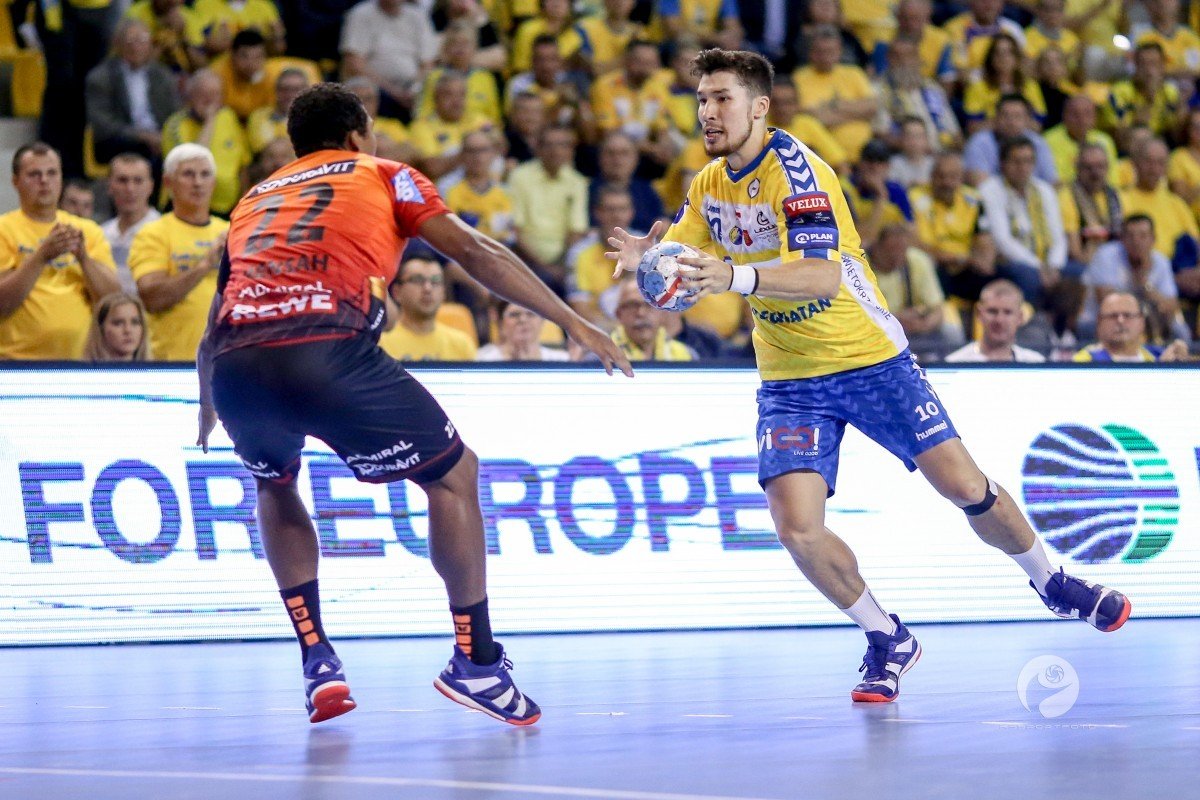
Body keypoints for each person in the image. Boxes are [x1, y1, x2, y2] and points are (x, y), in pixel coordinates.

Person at [607, 49, 1128, 705]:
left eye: (722, 99)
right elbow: (685, 256)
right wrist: (651, 258)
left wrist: (734, 276)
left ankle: (1051, 581)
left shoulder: (799, 173)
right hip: (790, 377)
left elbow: (822, 276)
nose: (708, 112)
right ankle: (886, 637)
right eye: (702, 100)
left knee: (965, 487)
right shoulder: (710, 183)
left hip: (869, 359)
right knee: (797, 528)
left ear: (759, 106)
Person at [197, 83, 629, 726]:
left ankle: (318, 659)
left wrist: (208, 398)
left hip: (236, 368)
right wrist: (573, 321)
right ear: (357, 137)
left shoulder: (253, 199)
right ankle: (477, 662)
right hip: (325, 349)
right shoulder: (384, 173)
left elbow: (216, 317)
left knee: (275, 483)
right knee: (454, 475)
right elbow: (475, 251)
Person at [0, 143, 120, 360]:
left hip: (80, 361)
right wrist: (41, 256)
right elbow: (2, 303)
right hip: (15, 361)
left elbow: (112, 300)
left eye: (52, 173)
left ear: (61, 179)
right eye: (34, 174)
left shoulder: (88, 230)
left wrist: (84, 259)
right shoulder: (4, 229)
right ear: (15, 181)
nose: (44, 180)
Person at [130, 144, 229, 361]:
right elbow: (152, 298)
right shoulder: (153, 233)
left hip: (224, 361)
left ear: (213, 182)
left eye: (205, 174)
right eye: (188, 174)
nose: (198, 182)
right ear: (168, 182)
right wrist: (205, 265)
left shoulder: (231, 231)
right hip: (171, 362)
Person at [85, 17, 180, 165]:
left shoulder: (162, 75)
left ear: (150, 45)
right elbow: (103, 124)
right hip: (121, 141)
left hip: (158, 138)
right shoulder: (100, 77)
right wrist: (143, 136)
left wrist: (163, 137)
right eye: (130, 41)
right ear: (118, 44)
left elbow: (175, 113)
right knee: (144, 152)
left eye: (142, 41)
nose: (136, 47)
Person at [378, 255, 478, 361]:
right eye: (417, 280)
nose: (428, 288)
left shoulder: (462, 345)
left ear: (444, 292)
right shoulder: (380, 342)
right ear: (396, 292)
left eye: (435, 281)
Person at [944, 279, 1047, 362]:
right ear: (979, 314)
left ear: (1020, 317)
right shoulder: (954, 364)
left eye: (1007, 312)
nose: (999, 320)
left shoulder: (1036, 364)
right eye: (992, 311)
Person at [101, 153, 161, 293]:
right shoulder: (100, 233)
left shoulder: (165, 231)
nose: (130, 188)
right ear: (109, 185)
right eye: (122, 180)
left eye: (138, 181)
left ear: (150, 186)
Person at [1073, 291, 1190, 362]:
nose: (1120, 321)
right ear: (1099, 323)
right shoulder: (1084, 361)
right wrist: (1161, 372)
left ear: (1142, 322)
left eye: (1128, 315)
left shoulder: (1159, 355)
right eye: (1113, 316)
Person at [610, 278, 697, 361]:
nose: (641, 313)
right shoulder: (604, 356)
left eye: (650, 304)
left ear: (663, 312)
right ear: (618, 314)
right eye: (632, 305)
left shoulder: (686, 355)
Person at [477, 299, 570, 361]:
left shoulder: (562, 361)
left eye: (531, 314)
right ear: (500, 322)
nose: (523, 320)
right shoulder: (484, 359)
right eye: (514, 315)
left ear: (542, 320)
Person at [83, 291, 152, 361]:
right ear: (101, 328)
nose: (128, 330)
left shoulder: (155, 368)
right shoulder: (82, 368)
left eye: (135, 322)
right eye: (118, 323)